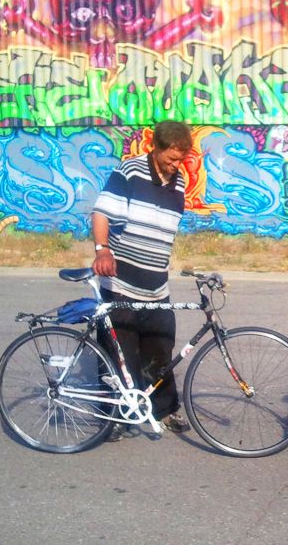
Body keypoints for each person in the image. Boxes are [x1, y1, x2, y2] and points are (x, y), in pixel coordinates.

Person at [91, 120, 194, 441]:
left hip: (156, 286)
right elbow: (101, 213)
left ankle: (164, 409)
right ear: (157, 147)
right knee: (119, 354)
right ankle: (115, 418)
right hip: (120, 283)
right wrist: (102, 249)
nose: (175, 165)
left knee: (161, 349)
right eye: (171, 158)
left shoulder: (177, 183)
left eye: (180, 159)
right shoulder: (130, 172)